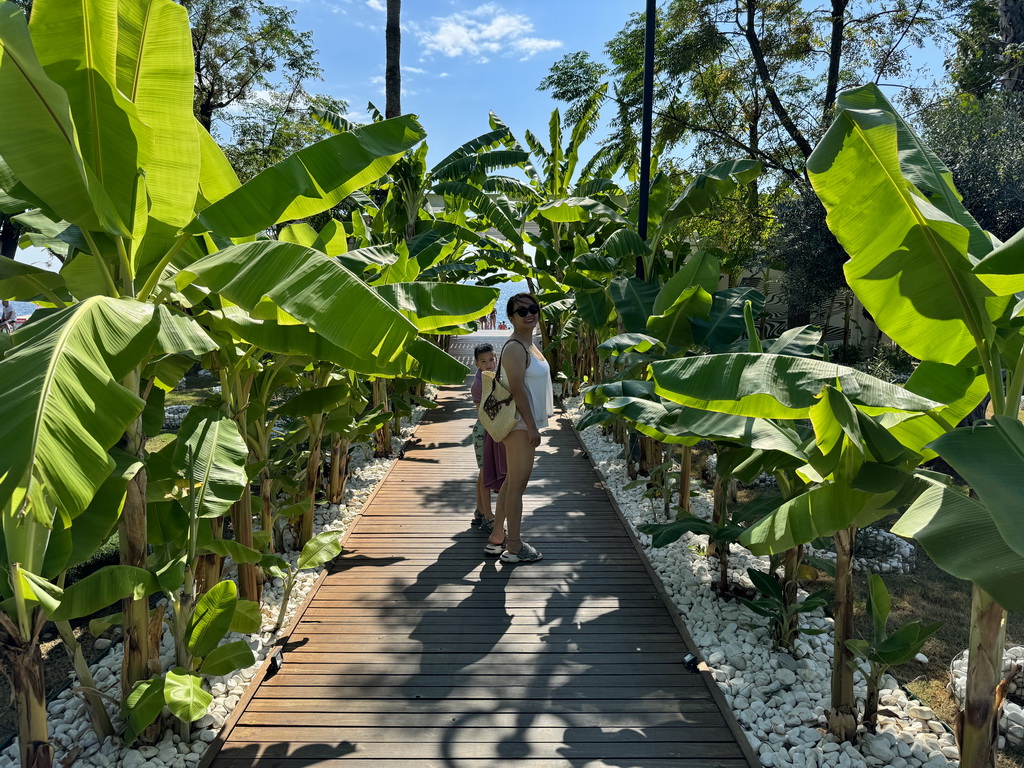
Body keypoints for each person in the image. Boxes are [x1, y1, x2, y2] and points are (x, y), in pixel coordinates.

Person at [484, 293, 554, 564]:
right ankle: (514, 546)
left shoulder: (530, 343)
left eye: (533, 309)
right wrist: (532, 427)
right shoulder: (515, 347)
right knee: (517, 487)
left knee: (512, 482)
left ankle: (497, 537)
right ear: (510, 317)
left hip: (525, 422)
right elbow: (516, 389)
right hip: (520, 424)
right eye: (521, 311)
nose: (529, 314)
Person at [469, 344, 507, 533]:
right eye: (483, 361)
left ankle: (479, 510)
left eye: (491, 359)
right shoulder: (479, 385)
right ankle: (488, 516)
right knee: (485, 472)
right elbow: (484, 414)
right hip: (485, 430)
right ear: (477, 364)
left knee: (484, 471)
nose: (489, 364)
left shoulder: (493, 377)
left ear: (496, 358)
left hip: (491, 428)